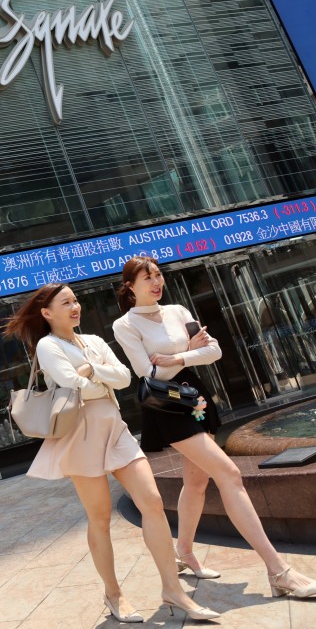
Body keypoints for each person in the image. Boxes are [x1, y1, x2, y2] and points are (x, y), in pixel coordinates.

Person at [3, 283, 218, 622]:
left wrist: (92, 371)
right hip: (80, 435)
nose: (75, 306)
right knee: (100, 519)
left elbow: (124, 378)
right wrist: (97, 377)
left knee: (152, 501)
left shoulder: (94, 340)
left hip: (115, 428)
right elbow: (74, 385)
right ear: (47, 313)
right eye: (66, 302)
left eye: (75, 300)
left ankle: (172, 590)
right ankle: (113, 594)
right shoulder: (47, 345)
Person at [112, 256, 316, 599]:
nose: (157, 282)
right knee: (230, 474)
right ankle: (278, 571)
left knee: (196, 481)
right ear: (130, 286)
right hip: (168, 405)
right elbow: (148, 374)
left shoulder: (178, 310)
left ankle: (184, 552)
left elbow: (215, 351)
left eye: (158, 275)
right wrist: (188, 351)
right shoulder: (125, 325)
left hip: (195, 396)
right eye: (148, 278)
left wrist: (179, 357)